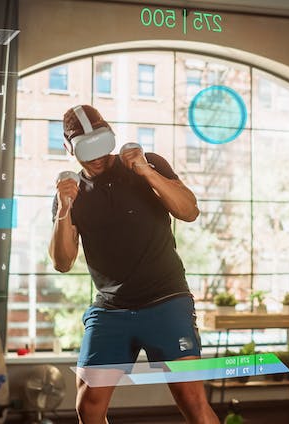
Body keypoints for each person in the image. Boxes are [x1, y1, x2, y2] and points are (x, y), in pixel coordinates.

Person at [49, 104, 218, 424]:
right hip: (111, 308)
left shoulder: (148, 163)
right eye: (87, 150)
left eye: (101, 145)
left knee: (192, 398)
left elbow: (189, 211)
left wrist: (146, 172)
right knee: (89, 405)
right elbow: (62, 262)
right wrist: (63, 208)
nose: (97, 157)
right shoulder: (70, 192)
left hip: (166, 299)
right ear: (69, 148)